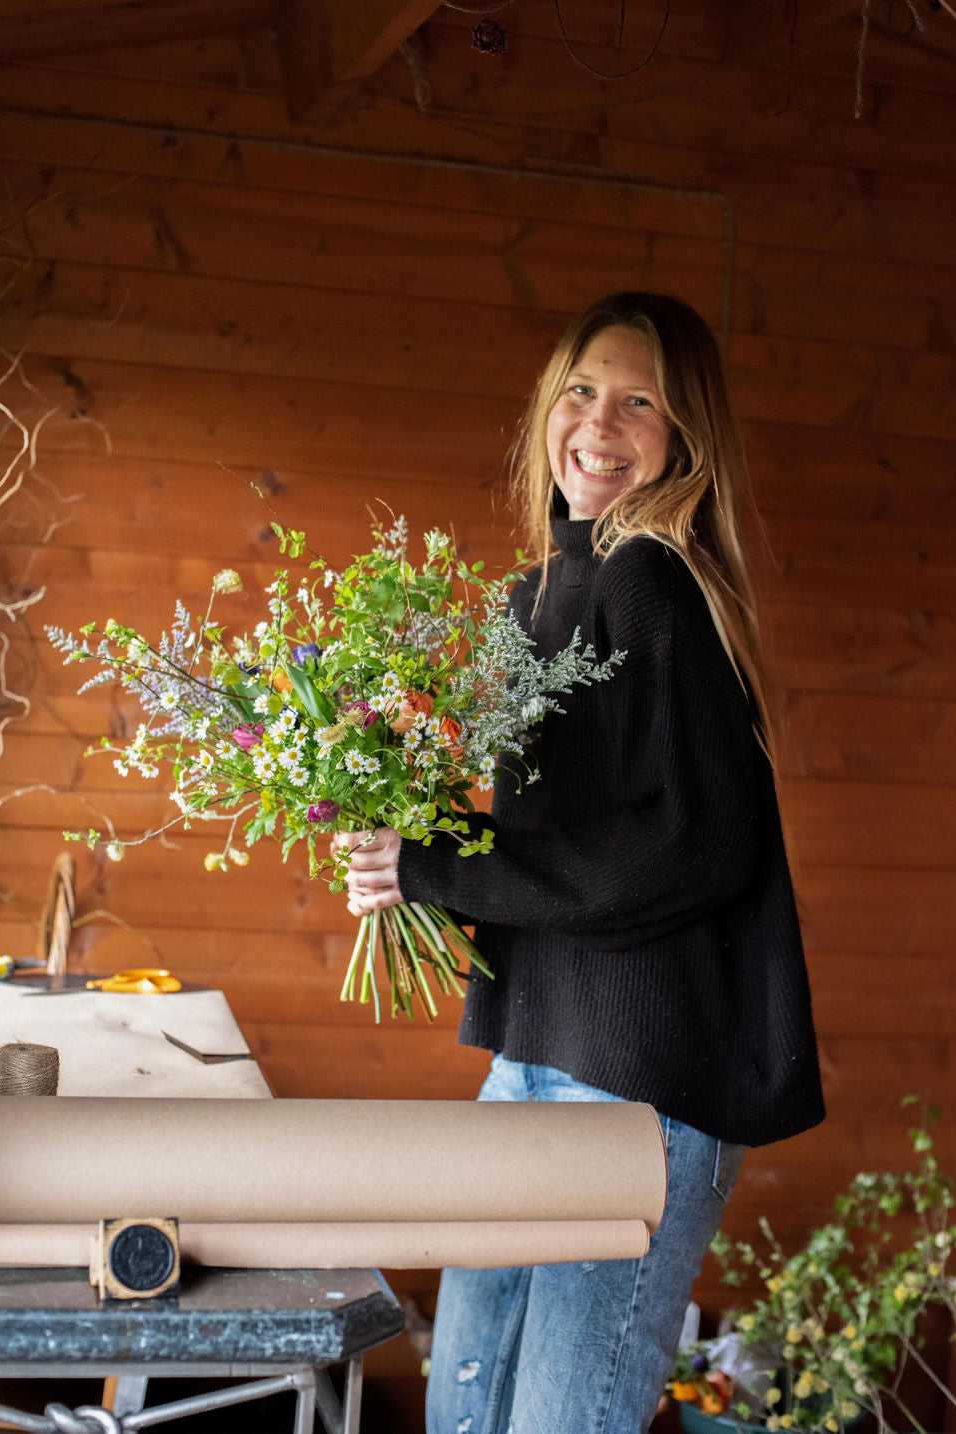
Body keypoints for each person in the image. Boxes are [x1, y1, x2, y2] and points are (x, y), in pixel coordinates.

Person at [334, 292, 825, 1434]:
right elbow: (566, 836)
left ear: (685, 434)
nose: (602, 423)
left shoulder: (652, 580)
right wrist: (393, 812)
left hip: (640, 1086)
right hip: (532, 1059)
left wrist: (438, 869)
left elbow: (688, 846)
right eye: (583, 390)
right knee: (463, 1414)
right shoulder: (541, 594)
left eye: (640, 399)